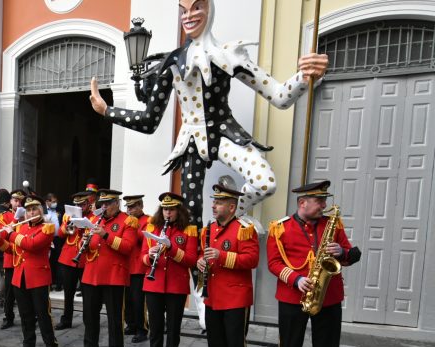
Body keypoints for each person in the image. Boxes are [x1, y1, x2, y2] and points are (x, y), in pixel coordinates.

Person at [89, 0, 328, 227]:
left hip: (223, 130)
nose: (189, 15)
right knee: (191, 219)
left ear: (209, 9)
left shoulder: (227, 55)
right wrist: (107, 110)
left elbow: (279, 96)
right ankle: (199, 260)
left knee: (264, 182)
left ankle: (224, 226)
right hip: (191, 141)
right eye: (184, 10)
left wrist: (304, 77)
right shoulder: (172, 64)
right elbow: (149, 120)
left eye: (197, 7)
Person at [267, 180, 360, 347]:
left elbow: (349, 255)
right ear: (302, 203)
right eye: (319, 201)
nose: (323, 205)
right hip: (292, 295)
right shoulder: (280, 228)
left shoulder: (333, 224)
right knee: (288, 344)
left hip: (328, 296)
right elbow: (274, 263)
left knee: (327, 346)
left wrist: (342, 251)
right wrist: (296, 279)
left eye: (324, 200)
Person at [196, 183, 259, 347]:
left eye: (219, 202)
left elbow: (252, 260)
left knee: (235, 341)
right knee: (215, 338)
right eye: (214, 201)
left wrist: (221, 256)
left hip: (235, 296)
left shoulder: (244, 229)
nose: (214, 205)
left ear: (232, 207)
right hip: (213, 293)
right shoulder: (209, 229)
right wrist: (200, 262)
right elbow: (202, 254)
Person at [141, 192, 198, 347]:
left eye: (171, 209)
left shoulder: (189, 230)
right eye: (165, 209)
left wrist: (171, 248)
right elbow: (142, 259)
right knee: (155, 327)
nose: (167, 213)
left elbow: (191, 260)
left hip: (176, 286)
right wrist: (150, 254)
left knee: (173, 329)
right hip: (153, 284)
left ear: (179, 211)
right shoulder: (152, 227)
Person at [78, 189, 138, 347]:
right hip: (91, 275)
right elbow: (87, 246)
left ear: (116, 204)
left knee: (114, 317)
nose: (103, 208)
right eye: (101, 204)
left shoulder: (128, 221)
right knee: (89, 315)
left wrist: (105, 234)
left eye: (107, 204)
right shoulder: (96, 220)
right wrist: (84, 242)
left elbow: (127, 247)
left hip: (114, 276)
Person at [0, 194, 60, 347]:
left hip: (38, 277)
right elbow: (14, 250)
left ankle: (51, 346)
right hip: (20, 276)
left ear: (40, 211)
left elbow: (31, 245)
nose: (31, 213)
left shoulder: (47, 228)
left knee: (43, 314)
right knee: (25, 314)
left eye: (34, 210)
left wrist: (10, 235)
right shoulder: (21, 228)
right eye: (29, 210)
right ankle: (28, 344)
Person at [55, 191, 93, 329]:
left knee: (87, 294)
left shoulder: (94, 217)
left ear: (88, 204)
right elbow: (59, 234)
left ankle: (88, 320)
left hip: (85, 259)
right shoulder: (67, 216)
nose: (80, 207)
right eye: (77, 204)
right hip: (68, 258)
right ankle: (66, 319)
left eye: (82, 204)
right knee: (68, 292)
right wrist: (67, 225)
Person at [0, 189, 26, 329]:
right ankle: (8, 317)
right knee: (8, 292)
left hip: (25, 258)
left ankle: (29, 317)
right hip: (10, 257)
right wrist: (15, 219)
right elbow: (1, 236)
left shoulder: (29, 215)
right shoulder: (3, 216)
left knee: (25, 291)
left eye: (20, 200)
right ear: (10, 201)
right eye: (15, 200)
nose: (18, 203)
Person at [123, 194, 150, 343]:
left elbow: (143, 238)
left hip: (139, 266)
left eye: (133, 207)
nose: (130, 210)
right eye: (128, 207)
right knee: (127, 299)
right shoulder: (126, 220)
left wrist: (132, 226)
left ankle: (142, 329)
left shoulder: (149, 221)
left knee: (138, 300)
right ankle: (131, 324)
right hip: (126, 265)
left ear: (141, 206)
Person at [45, 192, 64, 291]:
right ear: (47, 202)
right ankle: (48, 283)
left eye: (56, 201)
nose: (55, 203)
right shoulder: (42, 210)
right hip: (47, 239)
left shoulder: (59, 209)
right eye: (53, 202)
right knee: (48, 261)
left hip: (57, 239)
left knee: (58, 260)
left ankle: (58, 283)